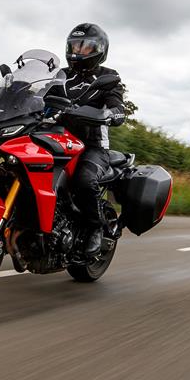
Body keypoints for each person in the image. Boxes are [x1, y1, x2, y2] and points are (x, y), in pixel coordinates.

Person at [61, 23, 127, 256]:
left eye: (86, 47)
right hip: (57, 139)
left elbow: (118, 106)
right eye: (75, 46)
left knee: (84, 180)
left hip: (92, 146)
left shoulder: (108, 78)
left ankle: (94, 229)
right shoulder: (60, 76)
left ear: (100, 50)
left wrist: (112, 113)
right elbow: (35, 92)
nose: (78, 52)